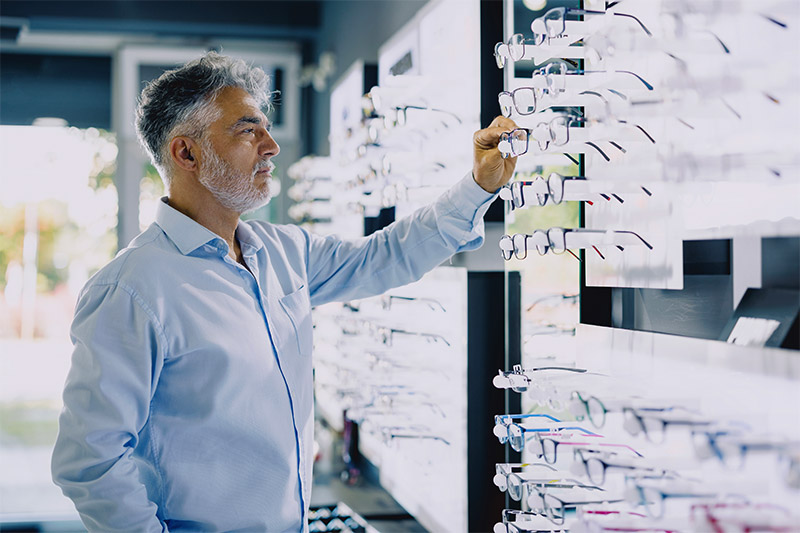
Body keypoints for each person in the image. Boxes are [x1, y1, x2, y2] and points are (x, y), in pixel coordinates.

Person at [51, 51, 517, 532]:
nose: (271, 146)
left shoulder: (284, 252)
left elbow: (386, 257)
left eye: (266, 129)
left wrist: (478, 186)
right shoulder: (131, 289)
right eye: (248, 130)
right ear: (186, 153)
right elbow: (90, 459)